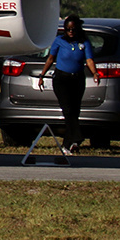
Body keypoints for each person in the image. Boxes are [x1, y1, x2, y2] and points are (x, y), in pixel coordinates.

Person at [37, 15, 99, 156]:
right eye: (68, 29)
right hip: (61, 80)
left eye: (73, 29)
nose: (70, 32)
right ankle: (77, 136)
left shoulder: (83, 42)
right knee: (68, 110)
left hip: (77, 79)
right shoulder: (59, 41)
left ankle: (69, 144)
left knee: (75, 111)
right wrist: (42, 75)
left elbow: (89, 59)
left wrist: (95, 73)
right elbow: (51, 58)